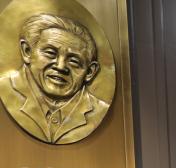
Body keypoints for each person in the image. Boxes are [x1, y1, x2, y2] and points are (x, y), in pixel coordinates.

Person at [0, 14, 111, 145]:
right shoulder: (5, 88)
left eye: (74, 61)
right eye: (50, 53)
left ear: (90, 72)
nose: (60, 66)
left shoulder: (99, 110)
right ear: (27, 51)